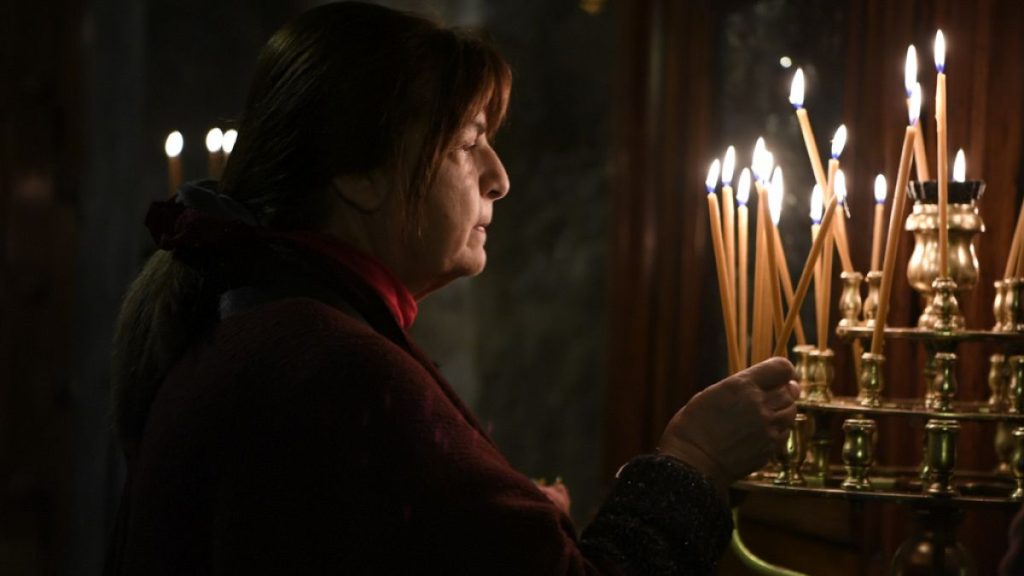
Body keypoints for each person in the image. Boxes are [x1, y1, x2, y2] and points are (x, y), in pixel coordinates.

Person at [106, 2, 799, 574]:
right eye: (469, 144)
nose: (499, 177)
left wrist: (492, 519)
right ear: (360, 172)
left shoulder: (276, 329)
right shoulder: (334, 366)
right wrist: (695, 461)